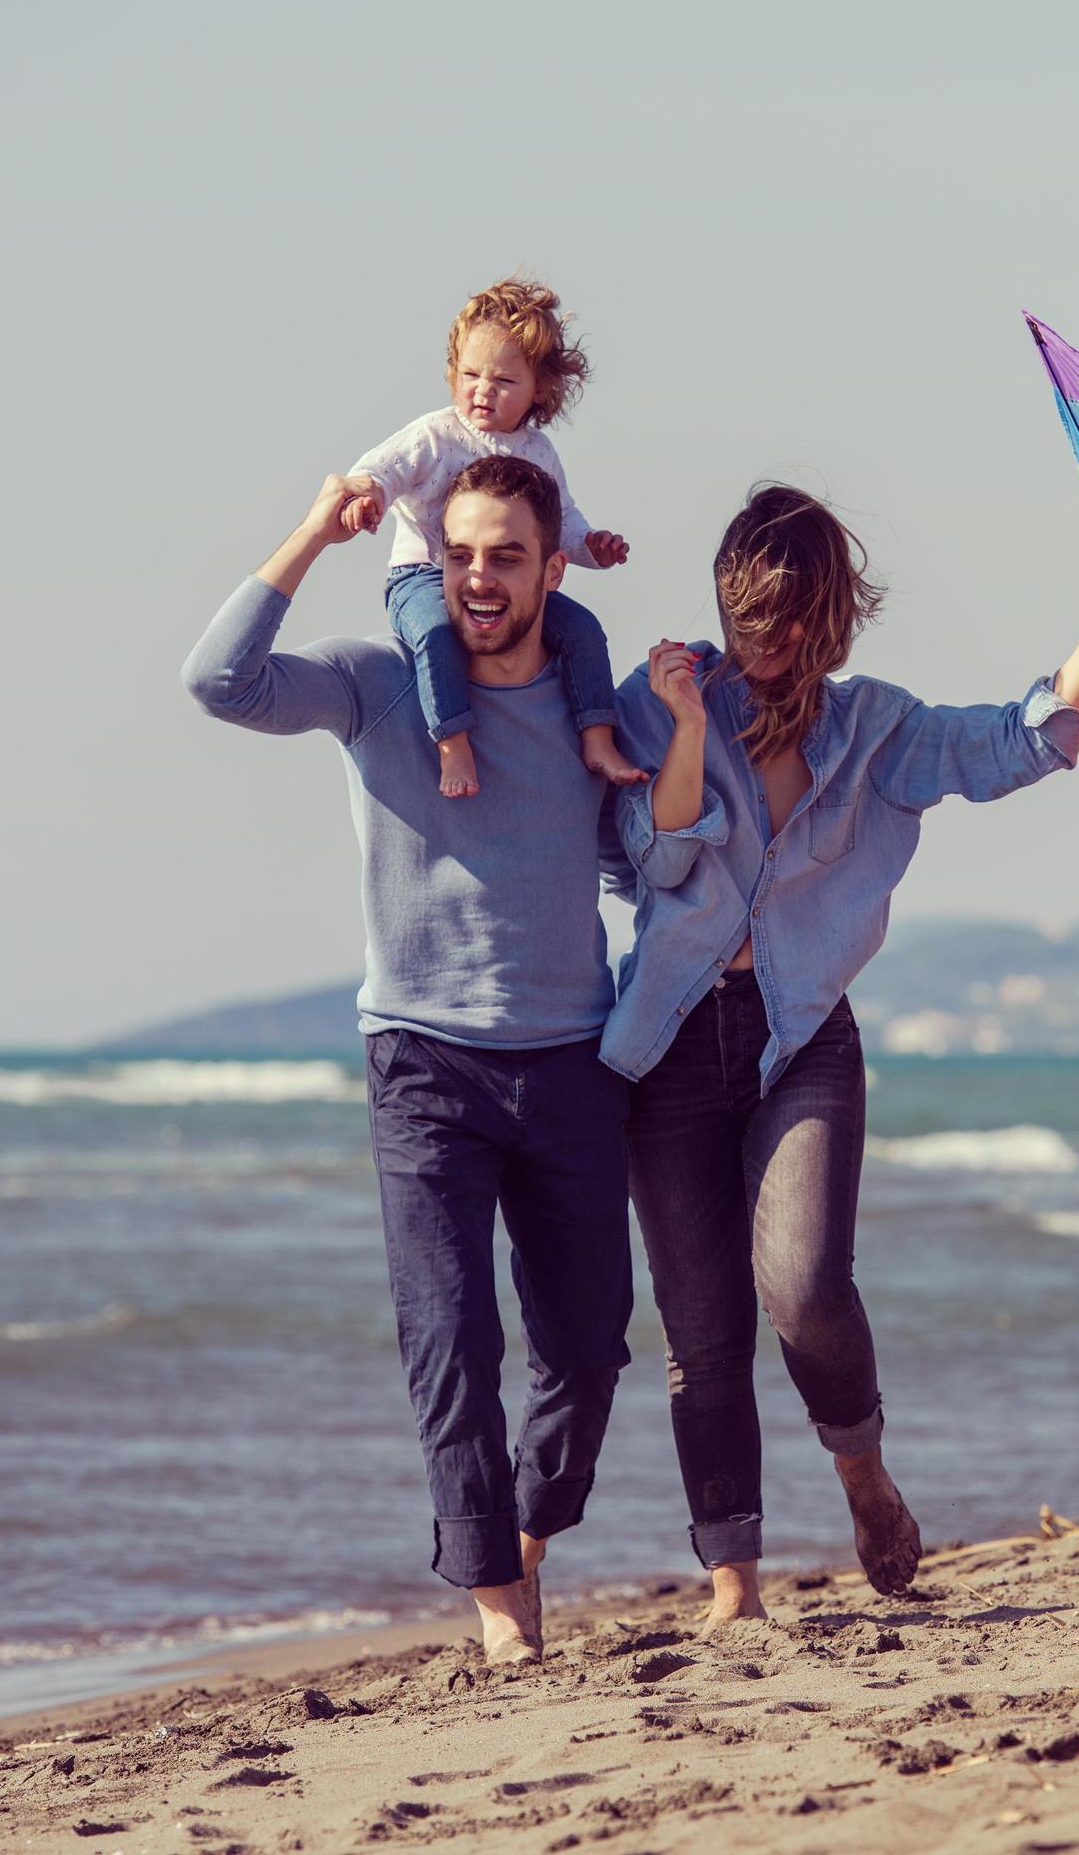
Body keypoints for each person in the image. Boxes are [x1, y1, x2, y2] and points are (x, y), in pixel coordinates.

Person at [601, 485, 1079, 1625]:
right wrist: (694, 730)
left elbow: (1018, 743)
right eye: (747, 619)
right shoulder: (663, 702)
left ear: (832, 620)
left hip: (804, 1032)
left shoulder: (876, 729)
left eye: (790, 622)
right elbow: (650, 868)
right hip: (668, 1042)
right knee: (701, 1330)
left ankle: (863, 1474)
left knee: (805, 1289)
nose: (765, 645)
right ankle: (734, 1587)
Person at [182, 454, 707, 1663]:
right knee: (451, 1336)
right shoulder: (375, 684)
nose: (479, 575)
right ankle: (495, 1604)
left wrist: (678, 757)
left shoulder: (590, 716)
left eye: (506, 554)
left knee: (589, 1343)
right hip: (423, 1061)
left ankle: (525, 1541)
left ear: (551, 567)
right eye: (459, 552)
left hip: (570, 1058)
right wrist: (316, 524)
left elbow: (651, 862)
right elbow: (217, 680)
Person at [338, 277, 643, 799]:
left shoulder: (539, 453)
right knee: (436, 634)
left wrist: (592, 546)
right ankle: (453, 741)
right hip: (423, 575)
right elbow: (381, 470)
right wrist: (368, 496)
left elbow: (560, 522)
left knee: (583, 628)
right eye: (470, 373)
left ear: (540, 390)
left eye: (503, 380)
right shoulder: (434, 435)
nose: (482, 390)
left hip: (511, 583)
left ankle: (596, 735)